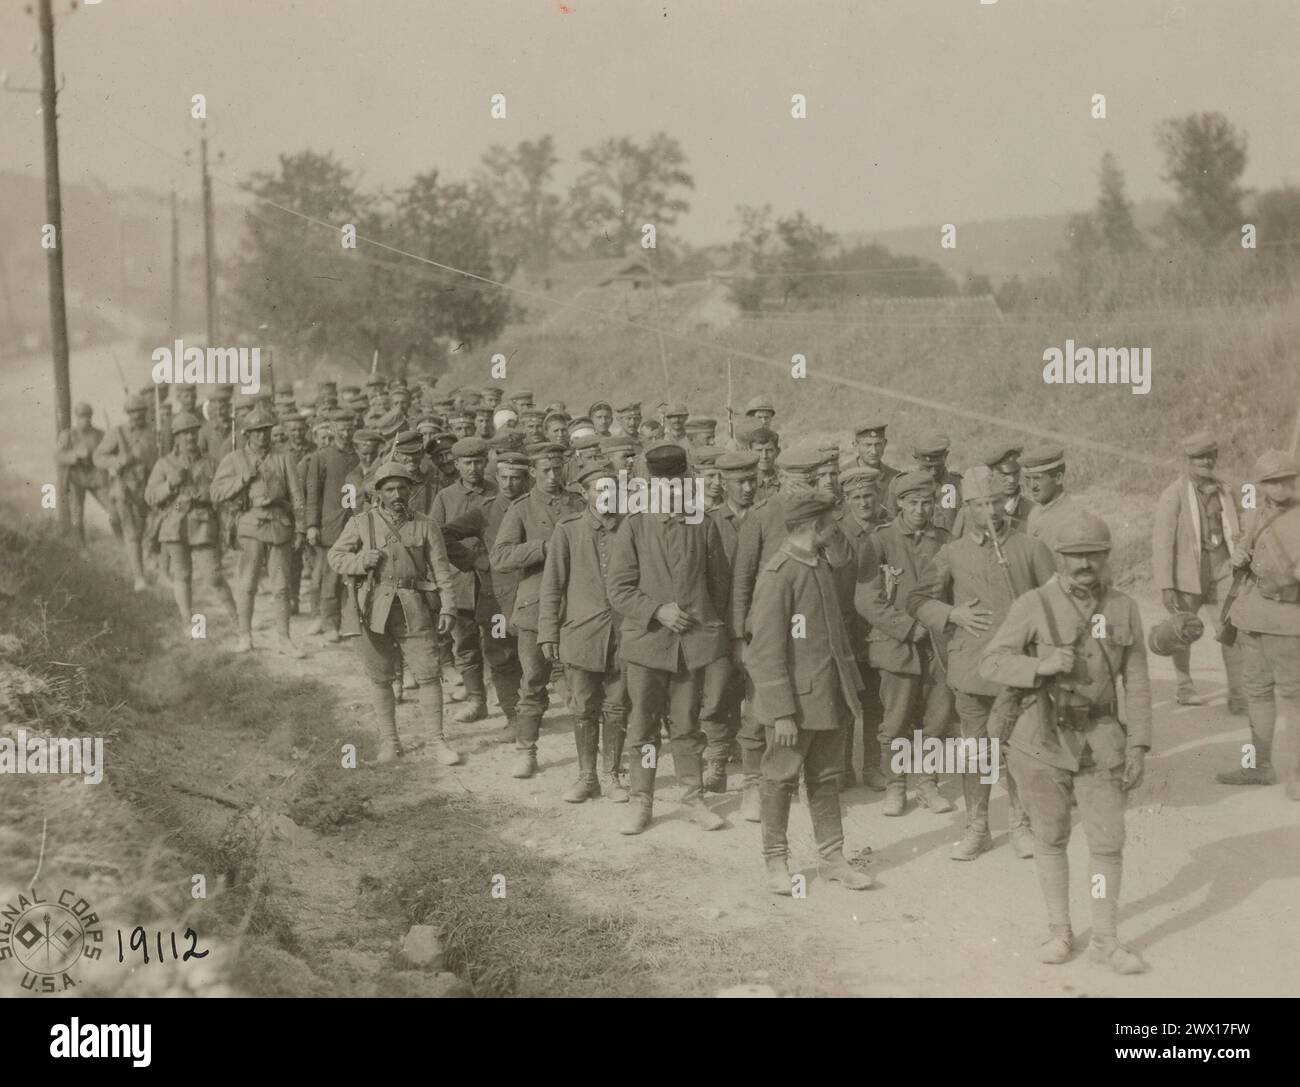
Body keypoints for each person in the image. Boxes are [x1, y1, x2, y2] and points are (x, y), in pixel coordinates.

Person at [979, 510, 1150, 974]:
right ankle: (1060, 932)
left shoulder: (1124, 607)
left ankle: (1106, 940)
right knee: (1051, 840)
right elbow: (991, 663)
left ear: (1107, 557)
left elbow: (1136, 681)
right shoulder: (1033, 604)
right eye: (1074, 556)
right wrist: (1041, 665)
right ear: (1058, 558)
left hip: (1102, 741)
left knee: (1107, 843)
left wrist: (1138, 745)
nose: (1084, 565)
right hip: (1042, 740)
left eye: (1094, 555)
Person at [908, 466, 1055, 859]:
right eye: (978, 504)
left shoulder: (1030, 547)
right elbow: (918, 600)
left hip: (1019, 672)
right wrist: (952, 615)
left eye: (994, 502)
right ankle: (978, 827)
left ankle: (1022, 825)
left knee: (1020, 750)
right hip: (971, 671)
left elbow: (1058, 602)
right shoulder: (951, 553)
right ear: (967, 509)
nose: (989, 511)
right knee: (976, 751)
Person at [749, 493, 876, 894]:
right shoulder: (779, 574)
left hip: (827, 697)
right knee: (779, 780)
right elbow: (764, 651)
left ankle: (832, 858)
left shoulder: (818, 564)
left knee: (825, 779)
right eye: (829, 524)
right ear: (813, 527)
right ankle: (775, 863)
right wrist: (781, 712)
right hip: (796, 705)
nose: (836, 529)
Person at [606, 441, 732, 835]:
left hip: (690, 647)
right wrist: (657, 610)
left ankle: (692, 797)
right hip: (647, 645)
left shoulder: (704, 524)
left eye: (679, 483)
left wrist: (708, 630)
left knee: (687, 724)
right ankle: (642, 801)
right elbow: (620, 589)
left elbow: (719, 585)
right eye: (665, 485)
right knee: (642, 726)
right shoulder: (635, 526)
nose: (673, 491)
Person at [328, 461, 460, 765]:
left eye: (402, 487)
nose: (397, 493)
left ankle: (436, 743)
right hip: (372, 609)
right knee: (380, 678)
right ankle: (389, 742)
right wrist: (361, 561)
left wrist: (449, 607)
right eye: (389, 489)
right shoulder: (362, 523)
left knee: (428, 675)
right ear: (379, 493)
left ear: (411, 490)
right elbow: (335, 556)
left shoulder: (426, 525)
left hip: (414, 607)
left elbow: (441, 569)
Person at [857, 470, 956, 817]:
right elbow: (867, 599)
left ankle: (927, 782)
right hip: (896, 645)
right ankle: (896, 784)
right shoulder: (880, 540)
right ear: (899, 502)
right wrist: (905, 626)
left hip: (937, 647)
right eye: (913, 503)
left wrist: (940, 623)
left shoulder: (944, 540)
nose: (920, 510)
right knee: (896, 719)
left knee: (936, 718)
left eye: (926, 503)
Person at [538, 459, 630, 803]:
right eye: (599, 489)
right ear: (586, 493)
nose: (607, 494)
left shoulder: (631, 527)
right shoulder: (568, 529)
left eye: (612, 488)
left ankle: (613, 775)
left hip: (624, 635)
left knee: (618, 705)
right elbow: (552, 586)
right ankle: (587, 776)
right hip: (581, 634)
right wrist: (548, 632)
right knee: (583, 706)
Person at [490, 443, 585, 778]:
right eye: (544, 469)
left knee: (583, 681)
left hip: (576, 607)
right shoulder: (521, 508)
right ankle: (526, 750)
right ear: (532, 472)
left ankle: (591, 756)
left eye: (557, 468)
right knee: (533, 681)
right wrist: (544, 548)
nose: (552, 475)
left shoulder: (578, 502)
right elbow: (500, 556)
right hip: (535, 608)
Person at [1215, 450, 1300, 798]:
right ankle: (1260, 766)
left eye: (1286, 479)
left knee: (1295, 699)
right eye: (1272, 481)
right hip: (1252, 620)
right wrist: (1238, 558)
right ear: (1262, 485)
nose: (1280, 486)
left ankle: (1297, 777)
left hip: (1288, 622)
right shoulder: (1253, 517)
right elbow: (1240, 562)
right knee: (1258, 694)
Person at [1152, 431, 1245, 710]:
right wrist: (1166, 585)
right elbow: (1162, 542)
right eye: (1197, 457)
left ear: (1215, 457)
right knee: (1184, 630)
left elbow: (1237, 527)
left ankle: (1239, 695)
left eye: (1208, 456)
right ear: (1187, 460)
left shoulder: (1226, 491)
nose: (1204, 462)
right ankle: (1184, 687)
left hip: (1222, 569)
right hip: (1186, 575)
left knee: (1230, 630)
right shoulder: (1173, 495)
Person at [210, 404, 307, 656]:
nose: (262, 435)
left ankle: (284, 639)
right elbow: (216, 492)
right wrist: (243, 479)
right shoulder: (235, 459)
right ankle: (245, 636)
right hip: (251, 524)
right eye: (257, 431)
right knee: (247, 583)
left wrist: (301, 528)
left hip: (280, 525)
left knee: (282, 586)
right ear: (247, 434)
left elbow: (297, 496)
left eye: (266, 430)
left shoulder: (284, 457)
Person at [144, 411, 238, 636]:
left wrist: (206, 495)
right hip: (175, 522)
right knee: (182, 575)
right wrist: (169, 485)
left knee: (213, 576)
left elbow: (224, 492)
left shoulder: (210, 463)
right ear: (176, 438)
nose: (189, 439)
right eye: (184, 434)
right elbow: (149, 496)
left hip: (204, 524)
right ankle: (188, 622)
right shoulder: (164, 464)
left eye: (193, 434)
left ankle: (237, 619)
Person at [429, 436, 499, 722]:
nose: (473, 468)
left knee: (499, 640)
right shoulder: (445, 497)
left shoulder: (498, 492)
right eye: (467, 463)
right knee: (466, 643)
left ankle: (504, 697)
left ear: (486, 462)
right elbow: (435, 539)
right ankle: (476, 699)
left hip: (496, 584)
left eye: (479, 462)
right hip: (462, 582)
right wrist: (470, 561)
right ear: (456, 465)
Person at [835, 466, 889, 791]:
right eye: (856, 497)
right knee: (843, 703)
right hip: (846, 631)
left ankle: (872, 767)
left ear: (878, 495)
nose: (864, 502)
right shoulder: (838, 532)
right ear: (847, 500)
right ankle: (842, 767)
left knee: (875, 703)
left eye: (869, 495)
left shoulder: (889, 529)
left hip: (879, 631)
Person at [303, 409, 361, 643]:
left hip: (355, 524)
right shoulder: (322, 457)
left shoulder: (358, 456)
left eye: (350, 428)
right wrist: (312, 525)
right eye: (341, 429)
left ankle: (350, 622)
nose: (346, 433)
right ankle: (329, 623)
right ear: (333, 430)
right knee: (331, 577)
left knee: (354, 576)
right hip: (330, 526)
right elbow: (312, 493)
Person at [94, 395, 160, 591]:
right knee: (132, 534)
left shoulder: (151, 434)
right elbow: (98, 457)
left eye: (141, 411)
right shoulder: (118, 432)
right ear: (128, 414)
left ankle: (155, 567)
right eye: (133, 412)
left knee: (151, 531)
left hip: (146, 489)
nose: (137, 415)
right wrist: (118, 462)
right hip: (124, 490)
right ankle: (139, 578)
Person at [57, 402, 121, 547]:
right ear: (76, 417)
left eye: (88, 416)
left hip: (97, 478)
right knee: (77, 515)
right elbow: (58, 457)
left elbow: (112, 452)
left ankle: (121, 543)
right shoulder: (68, 435)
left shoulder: (100, 434)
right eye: (82, 416)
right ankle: (80, 547)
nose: (86, 419)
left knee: (114, 509)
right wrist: (75, 455)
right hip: (76, 479)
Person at [1022, 442, 1079, 548]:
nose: (1032, 486)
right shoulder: (1034, 513)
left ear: (1058, 478)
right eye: (1028, 478)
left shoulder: (1072, 517)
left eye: (1037, 478)